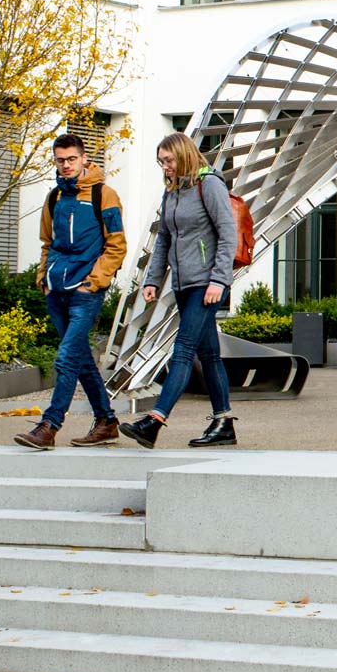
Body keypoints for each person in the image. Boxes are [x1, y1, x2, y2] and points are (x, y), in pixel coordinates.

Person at [119, 132, 240, 448]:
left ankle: (154, 420)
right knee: (209, 354)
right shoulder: (171, 191)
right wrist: (152, 280)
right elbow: (163, 239)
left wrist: (219, 281)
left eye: (169, 160)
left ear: (184, 155)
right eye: (161, 162)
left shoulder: (209, 185)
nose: (165, 167)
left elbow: (228, 233)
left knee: (183, 349)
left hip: (206, 284)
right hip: (183, 283)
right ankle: (224, 423)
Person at [16, 134, 127, 450]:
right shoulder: (54, 198)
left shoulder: (104, 195)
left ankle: (49, 426)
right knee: (80, 359)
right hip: (57, 291)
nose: (65, 165)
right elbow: (47, 243)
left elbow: (117, 245)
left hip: (86, 292)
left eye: (71, 159)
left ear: (83, 158)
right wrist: (43, 278)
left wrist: (94, 281)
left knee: (66, 358)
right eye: (60, 160)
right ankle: (107, 422)